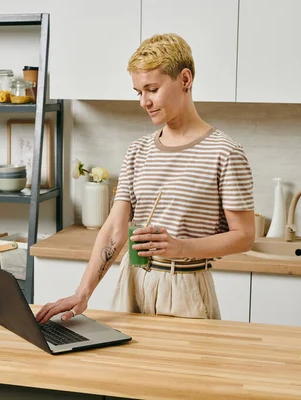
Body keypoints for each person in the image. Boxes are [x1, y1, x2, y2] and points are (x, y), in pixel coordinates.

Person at [36, 33, 255, 324]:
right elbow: (116, 227)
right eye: (138, 92)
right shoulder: (138, 150)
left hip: (185, 287)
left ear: (185, 79)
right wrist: (83, 292)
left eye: (152, 89)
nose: (144, 101)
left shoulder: (225, 152)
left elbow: (245, 237)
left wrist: (181, 248)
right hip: (132, 281)